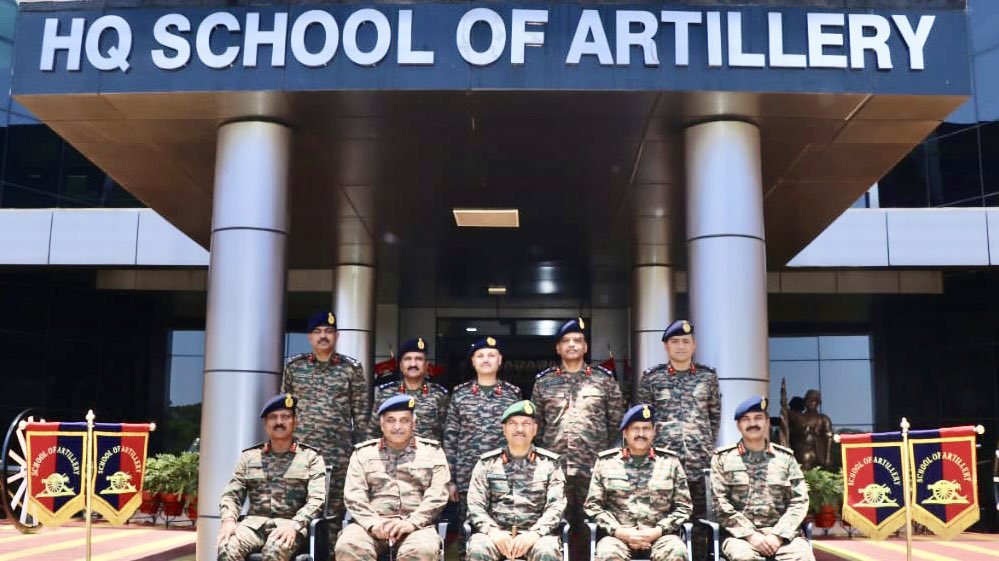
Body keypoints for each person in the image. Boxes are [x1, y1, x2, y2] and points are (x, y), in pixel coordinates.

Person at [532, 318, 625, 561]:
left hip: (592, 469)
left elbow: (616, 422)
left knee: (592, 529)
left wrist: (598, 449)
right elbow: (536, 426)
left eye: (577, 340)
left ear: (585, 347)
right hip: (555, 470)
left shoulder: (604, 379)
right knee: (553, 529)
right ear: (558, 348)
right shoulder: (544, 382)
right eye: (566, 341)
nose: (572, 345)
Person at [335, 394, 451, 561]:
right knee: (348, 546)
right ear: (381, 425)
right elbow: (354, 495)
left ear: (414, 424)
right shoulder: (363, 454)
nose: (397, 427)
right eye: (391, 420)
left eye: (404, 420)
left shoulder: (433, 452)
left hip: (417, 526)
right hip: (371, 525)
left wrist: (412, 522)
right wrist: (374, 523)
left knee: (422, 550)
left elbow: (437, 495)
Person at [282, 310, 369, 526]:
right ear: (310, 337)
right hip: (300, 454)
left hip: (337, 456)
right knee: (296, 510)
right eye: (318, 331)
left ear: (337, 336)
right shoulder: (295, 367)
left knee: (332, 515)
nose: (323, 336)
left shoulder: (351, 369)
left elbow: (361, 416)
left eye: (329, 331)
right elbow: (284, 413)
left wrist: (360, 456)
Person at [217, 394, 326, 561]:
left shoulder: (311, 457)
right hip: (253, 527)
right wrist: (229, 520)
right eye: (273, 417)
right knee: (227, 547)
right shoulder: (249, 457)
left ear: (295, 421)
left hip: (289, 525)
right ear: (265, 423)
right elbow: (232, 494)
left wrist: (296, 524)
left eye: (285, 416)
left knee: (275, 550)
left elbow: (317, 500)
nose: (279, 422)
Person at [442, 337, 523, 559]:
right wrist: (450, 480)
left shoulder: (512, 394)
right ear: (472, 361)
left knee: (504, 530)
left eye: (491, 355)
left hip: (504, 475)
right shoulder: (460, 394)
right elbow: (450, 438)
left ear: (500, 360)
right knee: (467, 530)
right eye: (480, 356)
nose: (486, 360)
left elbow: (521, 437)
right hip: (467, 476)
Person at [710, 396, 814, 561]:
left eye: (758, 418)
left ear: (767, 423)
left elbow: (799, 501)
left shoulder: (785, 458)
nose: (753, 423)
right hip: (740, 538)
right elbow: (720, 504)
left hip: (784, 538)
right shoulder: (722, 458)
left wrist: (778, 535)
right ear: (738, 425)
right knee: (745, 557)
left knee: (803, 556)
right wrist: (751, 535)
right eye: (746, 419)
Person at [635, 319, 720, 518]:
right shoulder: (652, 378)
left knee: (700, 519)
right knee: (664, 517)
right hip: (663, 462)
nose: (680, 346)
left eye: (685, 341)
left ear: (694, 345)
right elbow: (643, 423)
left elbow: (714, 418)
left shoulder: (708, 377)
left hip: (699, 460)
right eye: (675, 342)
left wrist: (702, 443)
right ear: (666, 346)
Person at [585, 404, 691, 561]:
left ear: (654, 432)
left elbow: (684, 507)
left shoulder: (670, 462)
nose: (641, 434)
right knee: (607, 553)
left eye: (646, 428)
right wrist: (619, 531)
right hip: (618, 538)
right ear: (625, 433)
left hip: (661, 537)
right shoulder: (606, 463)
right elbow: (593, 506)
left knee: (677, 551)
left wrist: (658, 530)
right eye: (635, 429)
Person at [465, 400, 566, 561]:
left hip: (536, 536)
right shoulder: (487, 464)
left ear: (535, 429)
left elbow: (556, 507)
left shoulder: (549, 464)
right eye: (513, 423)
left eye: (526, 424)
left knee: (547, 552)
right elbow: (475, 505)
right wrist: (493, 532)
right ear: (504, 429)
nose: (519, 429)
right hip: (495, 535)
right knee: (478, 549)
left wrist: (535, 533)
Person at [370, 337, 449, 441]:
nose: (413, 364)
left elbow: (447, 434)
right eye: (408, 359)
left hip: (427, 451)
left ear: (426, 366)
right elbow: (373, 431)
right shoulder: (386, 392)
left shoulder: (439, 395)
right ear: (400, 366)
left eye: (418, 359)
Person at [789, 390, 833, 470]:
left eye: (814, 401)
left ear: (818, 403)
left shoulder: (823, 419)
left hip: (818, 453)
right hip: (800, 452)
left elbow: (828, 437)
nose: (811, 403)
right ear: (805, 402)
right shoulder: (798, 417)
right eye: (809, 400)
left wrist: (828, 457)